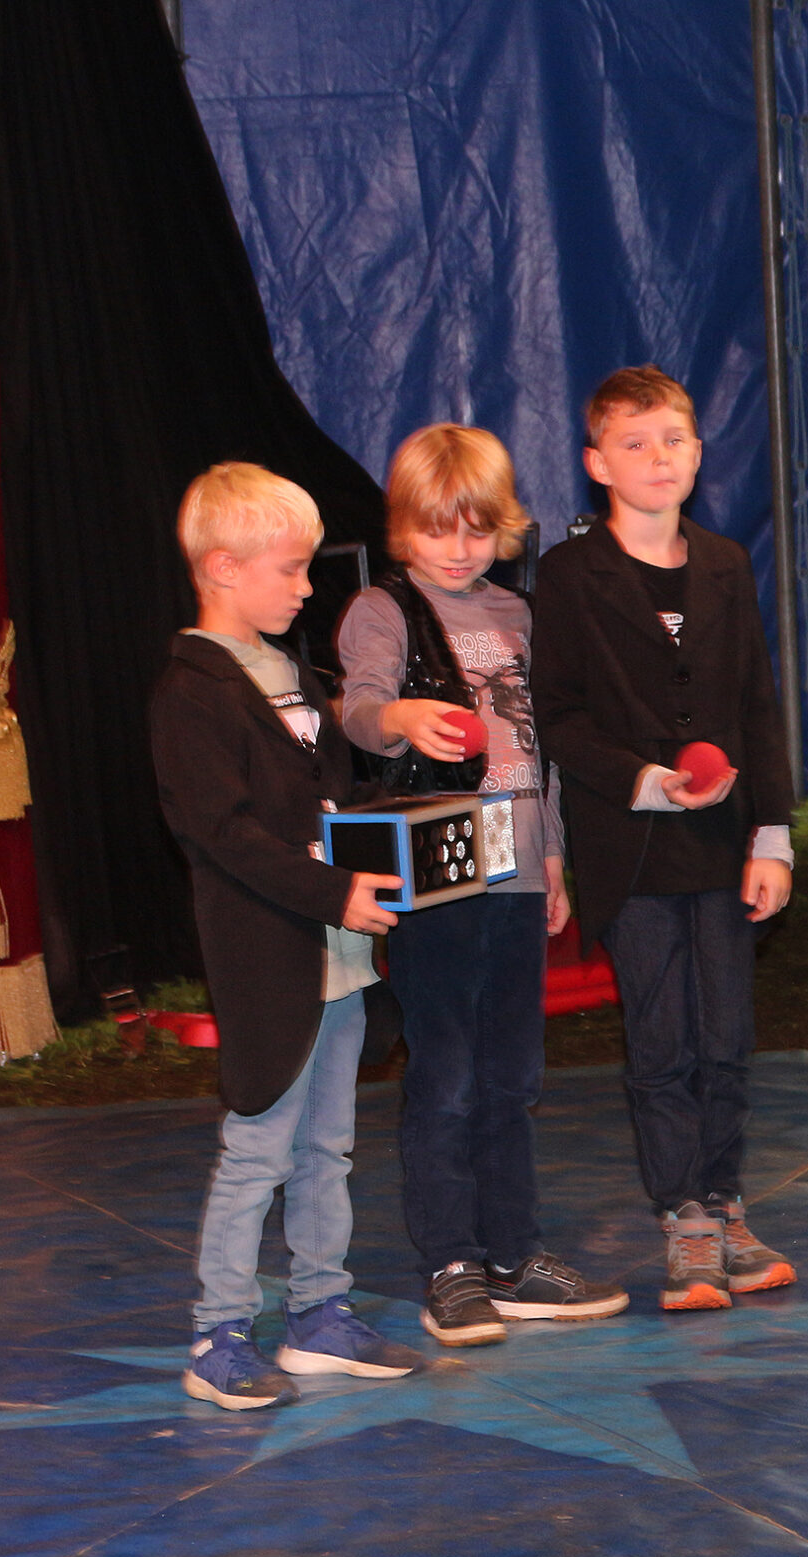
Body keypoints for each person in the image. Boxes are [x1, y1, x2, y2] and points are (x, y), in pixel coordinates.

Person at [335, 425, 629, 1347]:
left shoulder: (521, 615)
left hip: (517, 869)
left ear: (503, 526)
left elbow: (543, 754)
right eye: (437, 529)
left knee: (513, 1075)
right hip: (439, 874)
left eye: (475, 529)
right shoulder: (382, 609)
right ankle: (451, 1263)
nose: (458, 547)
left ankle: (513, 1255)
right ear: (402, 527)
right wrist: (400, 713)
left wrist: (554, 859)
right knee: (448, 1073)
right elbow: (357, 708)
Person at [150, 461, 430, 1408]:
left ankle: (319, 1314)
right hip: (271, 958)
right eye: (291, 569)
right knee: (259, 1149)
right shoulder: (192, 691)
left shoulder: (293, 673)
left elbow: (334, 800)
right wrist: (332, 889)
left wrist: (412, 827)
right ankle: (218, 1333)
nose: (307, 588)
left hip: (340, 961)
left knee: (328, 1148)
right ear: (223, 567)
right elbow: (224, 834)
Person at [530, 368, 799, 1313]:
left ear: (698, 453)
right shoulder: (569, 576)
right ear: (598, 463)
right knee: (663, 1042)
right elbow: (558, 716)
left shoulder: (725, 563)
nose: (658, 458)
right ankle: (683, 1216)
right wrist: (644, 779)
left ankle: (725, 1204)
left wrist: (773, 836)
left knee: (726, 1037)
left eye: (673, 440)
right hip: (633, 851)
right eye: (634, 443)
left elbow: (756, 703)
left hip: (723, 846)